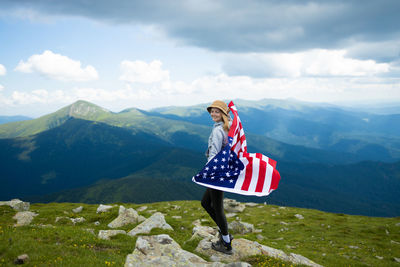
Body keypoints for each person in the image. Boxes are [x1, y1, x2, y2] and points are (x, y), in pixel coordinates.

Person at [201, 100, 233, 255]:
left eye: (217, 111)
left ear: (223, 113)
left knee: (217, 207)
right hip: (224, 171)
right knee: (206, 203)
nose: (213, 114)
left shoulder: (218, 131)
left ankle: (226, 243)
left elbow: (214, 154)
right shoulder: (230, 127)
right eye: (212, 111)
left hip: (216, 172)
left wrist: (208, 171)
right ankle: (224, 232)